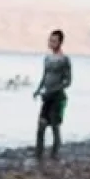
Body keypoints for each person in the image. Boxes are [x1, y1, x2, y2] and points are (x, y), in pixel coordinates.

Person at [32, 29, 72, 160]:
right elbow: (45, 76)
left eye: (54, 40)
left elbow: (68, 81)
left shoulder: (65, 59)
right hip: (46, 97)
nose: (51, 42)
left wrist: (55, 89)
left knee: (55, 128)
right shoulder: (47, 58)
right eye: (50, 40)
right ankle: (38, 156)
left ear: (60, 42)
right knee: (41, 127)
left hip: (57, 97)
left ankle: (54, 156)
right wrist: (38, 90)